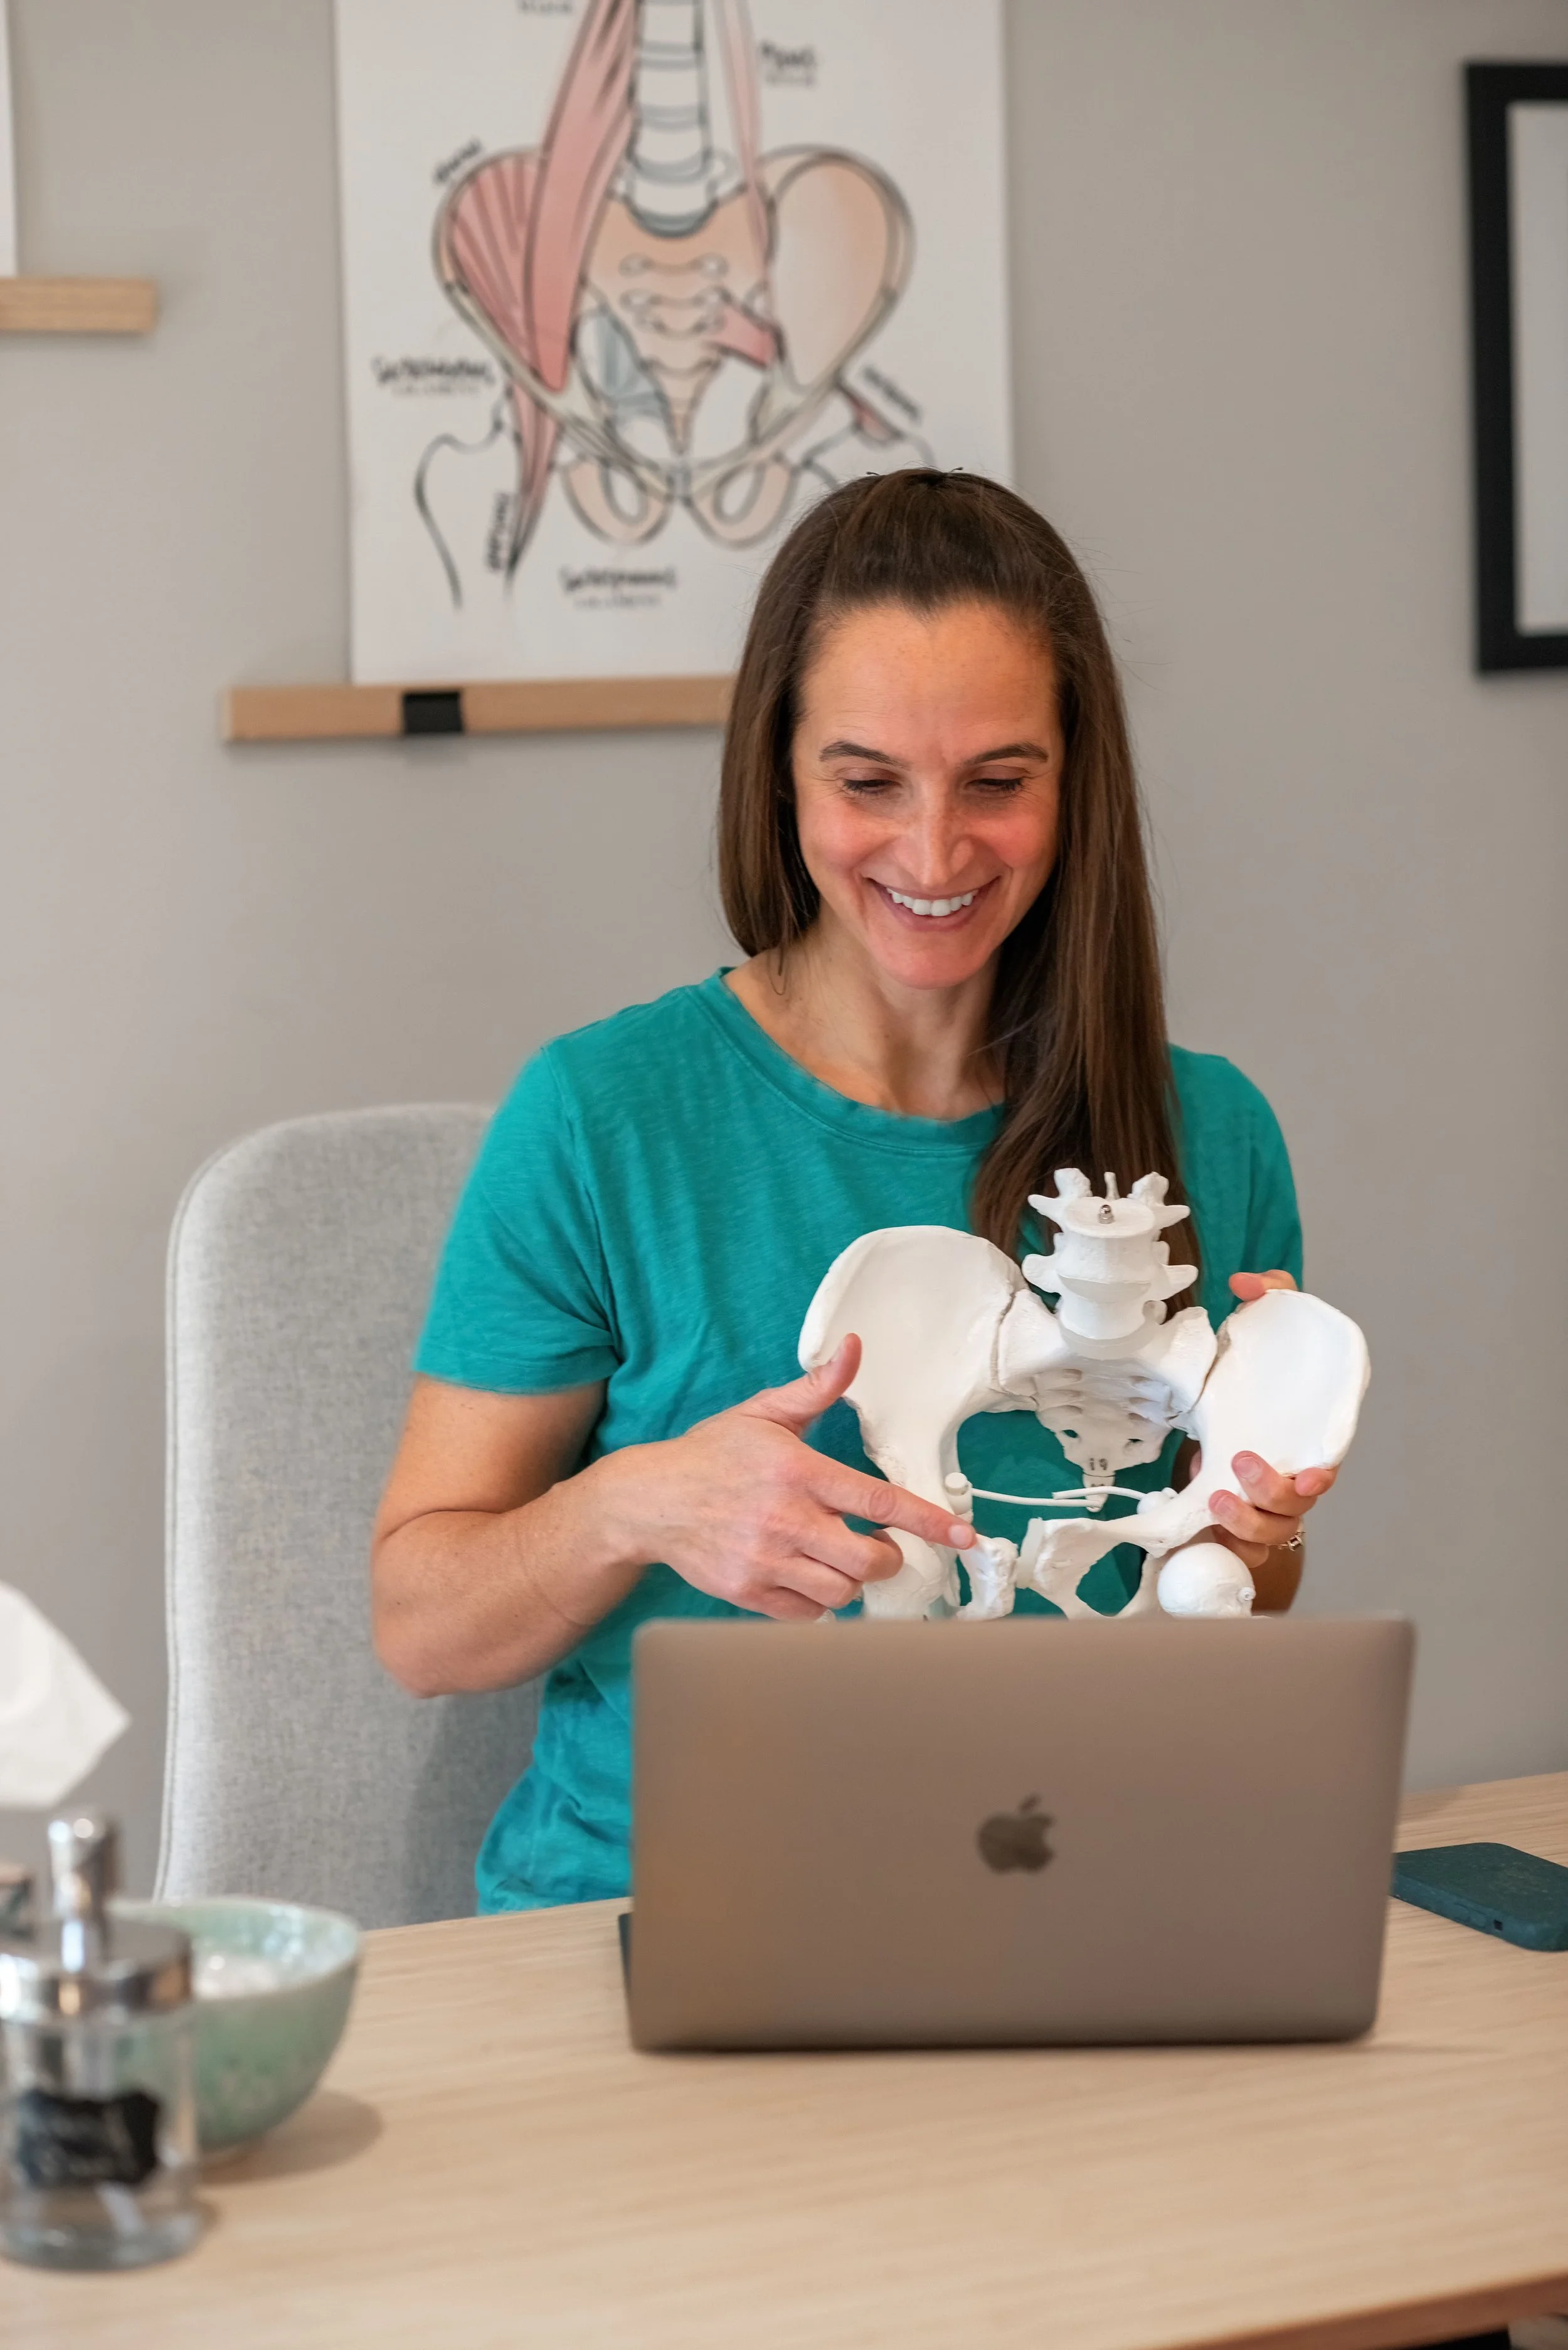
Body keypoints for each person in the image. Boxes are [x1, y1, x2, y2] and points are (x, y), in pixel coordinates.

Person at [371, 470, 1337, 1915]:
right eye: (866, 779)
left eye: (998, 782)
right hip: (678, 1910)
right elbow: (421, 1627)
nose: (934, 853)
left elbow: (1235, 1599)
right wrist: (636, 1505)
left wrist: (1257, 1536)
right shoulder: (599, 1117)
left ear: (1077, 784)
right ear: (779, 772)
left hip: (1074, 1888)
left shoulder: (1211, 1130)